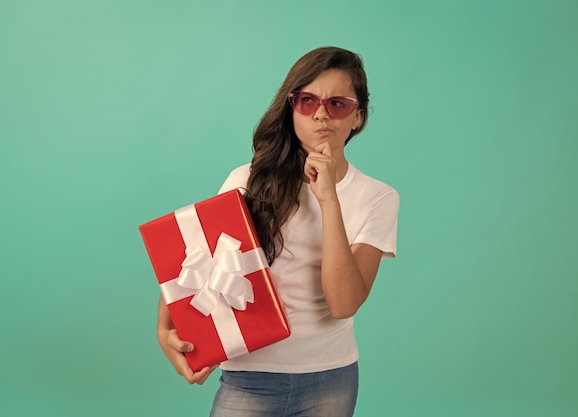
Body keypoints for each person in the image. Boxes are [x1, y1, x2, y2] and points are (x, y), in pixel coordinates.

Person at [156, 46, 399, 417]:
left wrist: (328, 199)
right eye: (307, 101)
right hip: (248, 375)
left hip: (329, 378)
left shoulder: (378, 197)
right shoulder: (247, 180)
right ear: (291, 109)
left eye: (338, 104)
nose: (321, 113)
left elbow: (344, 303)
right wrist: (164, 328)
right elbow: (199, 260)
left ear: (357, 118)